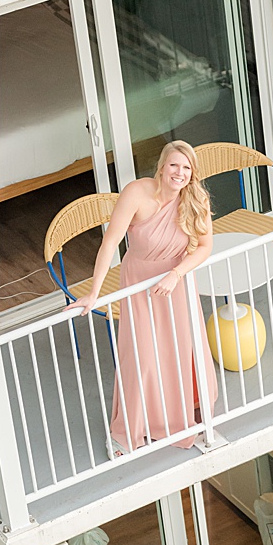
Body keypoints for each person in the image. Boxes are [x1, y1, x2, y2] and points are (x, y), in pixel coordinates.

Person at [80, 138, 216, 454]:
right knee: (139, 353)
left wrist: (176, 274)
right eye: (174, 165)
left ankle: (182, 411)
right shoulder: (136, 193)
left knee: (178, 348)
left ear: (192, 173)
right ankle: (128, 430)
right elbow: (110, 243)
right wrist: (94, 292)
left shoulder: (196, 199)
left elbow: (206, 246)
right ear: (162, 166)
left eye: (186, 168)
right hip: (138, 279)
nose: (179, 173)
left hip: (175, 279)